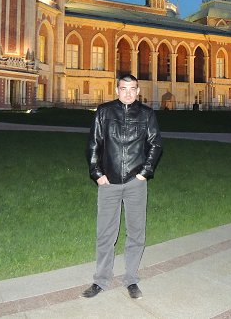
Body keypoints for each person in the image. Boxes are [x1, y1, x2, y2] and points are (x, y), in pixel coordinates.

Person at [81, 74, 162, 300]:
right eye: (123, 88)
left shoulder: (147, 114)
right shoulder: (104, 112)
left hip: (136, 182)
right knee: (105, 233)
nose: (128, 93)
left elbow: (155, 145)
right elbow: (93, 144)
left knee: (136, 233)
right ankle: (101, 280)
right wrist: (97, 173)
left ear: (138, 91)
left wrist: (144, 173)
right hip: (109, 182)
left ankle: (131, 279)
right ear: (117, 90)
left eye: (132, 89)